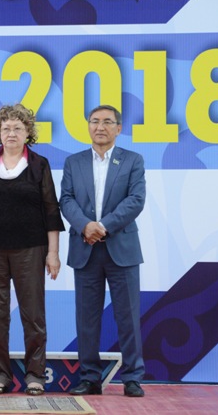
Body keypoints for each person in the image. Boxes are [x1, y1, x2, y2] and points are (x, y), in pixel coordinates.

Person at [0, 104, 63, 396]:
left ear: (27, 132)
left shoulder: (39, 164)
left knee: (33, 315)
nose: (11, 133)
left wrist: (53, 253)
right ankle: (0, 375)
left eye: (17, 128)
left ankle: (35, 375)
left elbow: (51, 210)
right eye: (5, 128)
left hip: (30, 249)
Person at [60, 105, 147, 398]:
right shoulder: (74, 162)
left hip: (122, 249)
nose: (100, 127)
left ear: (118, 128)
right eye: (95, 121)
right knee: (87, 319)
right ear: (88, 126)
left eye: (107, 122)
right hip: (85, 248)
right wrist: (85, 226)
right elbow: (66, 199)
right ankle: (89, 378)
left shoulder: (132, 160)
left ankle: (132, 378)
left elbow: (135, 200)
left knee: (128, 317)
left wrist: (103, 226)